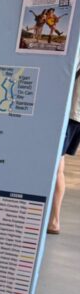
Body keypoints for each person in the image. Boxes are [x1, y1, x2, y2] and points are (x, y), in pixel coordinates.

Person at [48, 68, 80, 234]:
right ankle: (53, 219)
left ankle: (54, 221)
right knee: (58, 167)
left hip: (70, 118)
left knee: (56, 169)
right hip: (73, 118)